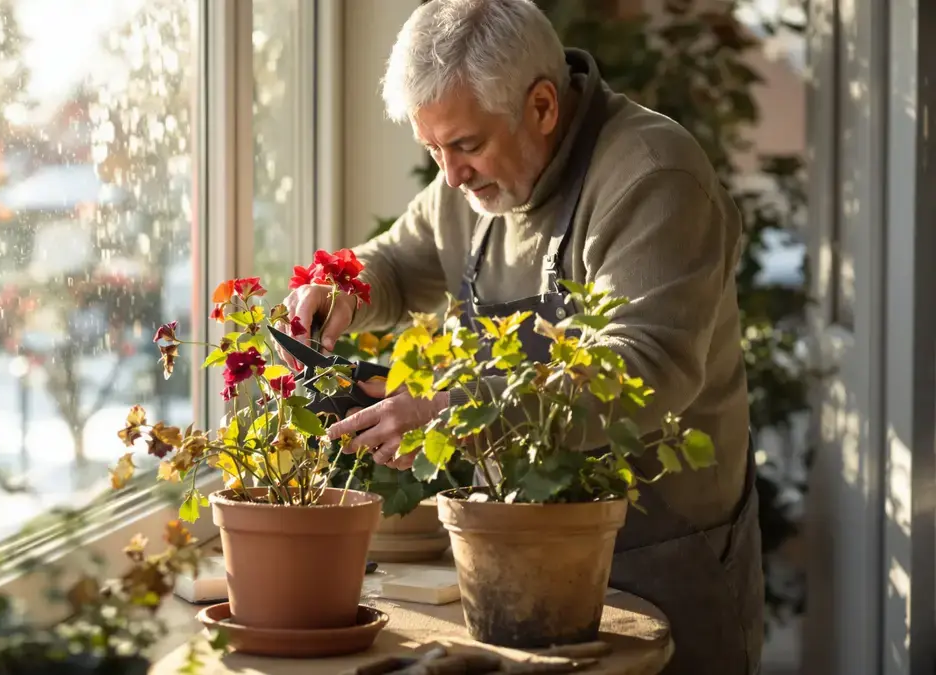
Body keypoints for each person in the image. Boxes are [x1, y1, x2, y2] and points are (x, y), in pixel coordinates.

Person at [278, 0, 763, 672]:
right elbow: (397, 261)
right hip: (512, 557)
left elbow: (646, 370)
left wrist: (452, 410)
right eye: (433, 149)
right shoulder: (468, 187)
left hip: (661, 559)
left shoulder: (652, 177)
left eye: (466, 145)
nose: (449, 175)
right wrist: (341, 290)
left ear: (541, 106)